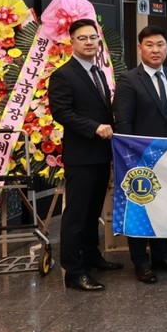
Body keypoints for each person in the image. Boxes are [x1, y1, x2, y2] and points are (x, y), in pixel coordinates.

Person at [49, 19, 123, 291]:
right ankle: (74, 271)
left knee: (93, 212)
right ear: (72, 42)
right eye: (82, 38)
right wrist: (93, 127)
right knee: (76, 215)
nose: (89, 42)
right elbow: (61, 112)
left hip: (101, 154)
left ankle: (92, 256)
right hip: (81, 156)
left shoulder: (99, 72)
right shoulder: (63, 75)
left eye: (93, 37)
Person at [113, 25, 167, 284]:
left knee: (164, 206)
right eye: (149, 45)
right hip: (140, 158)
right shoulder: (128, 80)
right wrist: (131, 155)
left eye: (160, 45)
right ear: (139, 48)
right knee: (140, 208)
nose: (155, 50)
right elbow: (123, 122)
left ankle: (162, 256)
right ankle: (141, 262)